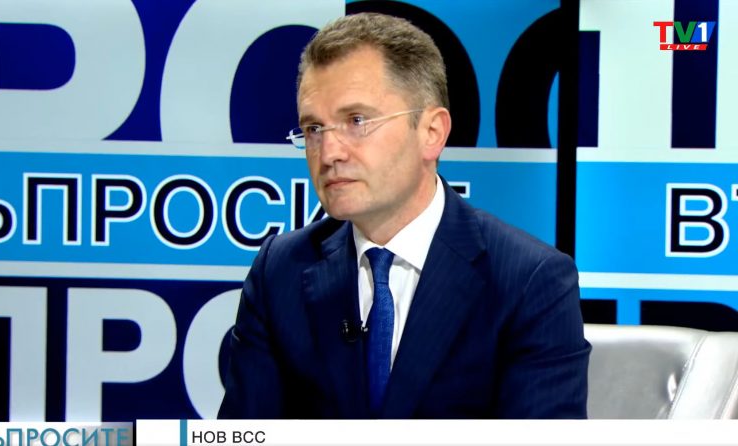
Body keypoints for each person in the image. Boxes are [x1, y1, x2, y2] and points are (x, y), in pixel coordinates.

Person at [218, 12, 590, 419]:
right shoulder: (280, 271)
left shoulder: (529, 281)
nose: (329, 153)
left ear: (432, 132)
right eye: (313, 129)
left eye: (356, 121)